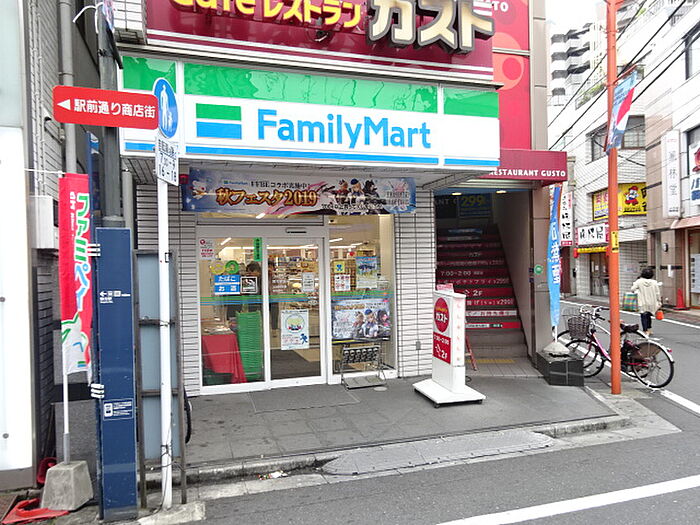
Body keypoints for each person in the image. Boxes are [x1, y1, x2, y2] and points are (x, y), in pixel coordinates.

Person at [631, 267, 662, 336]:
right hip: (652, 302)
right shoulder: (654, 282)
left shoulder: (639, 281)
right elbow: (657, 293)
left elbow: (632, 289)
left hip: (642, 301)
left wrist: (637, 291)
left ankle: (645, 330)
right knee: (648, 315)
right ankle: (649, 329)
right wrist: (659, 301)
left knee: (643, 316)